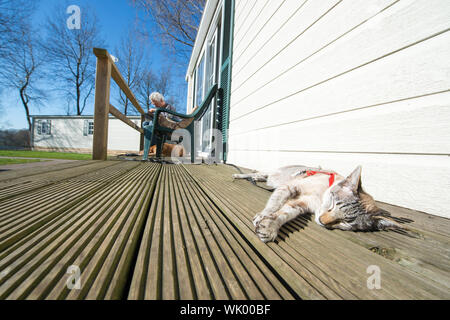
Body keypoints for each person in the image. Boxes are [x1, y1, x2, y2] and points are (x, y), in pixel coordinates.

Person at [141, 92, 179, 161]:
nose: (154, 104)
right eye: (153, 103)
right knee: (145, 124)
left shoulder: (170, 107)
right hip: (161, 126)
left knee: (151, 126)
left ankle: (151, 149)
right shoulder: (160, 108)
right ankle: (151, 149)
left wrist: (156, 111)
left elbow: (168, 120)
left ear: (161, 100)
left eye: (155, 102)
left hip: (170, 128)